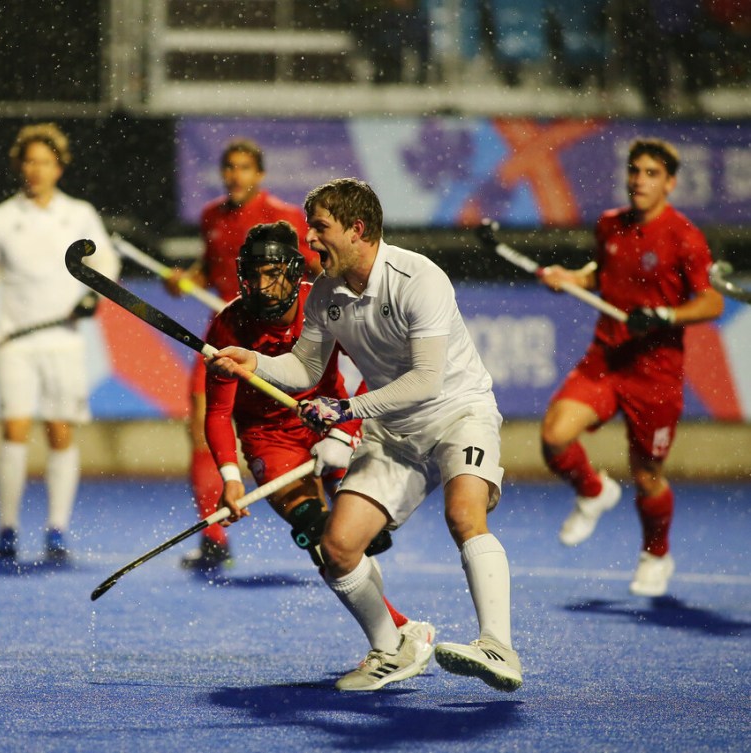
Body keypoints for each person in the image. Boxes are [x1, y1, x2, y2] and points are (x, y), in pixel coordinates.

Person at [211, 178, 522, 692]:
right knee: (336, 548)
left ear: (358, 230)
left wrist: (345, 410)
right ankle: (392, 647)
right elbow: (303, 369)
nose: (309, 239)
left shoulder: (418, 278)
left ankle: (498, 645)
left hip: (458, 413)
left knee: (464, 513)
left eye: (320, 227)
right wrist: (256, 364)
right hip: (395, 433)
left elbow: (425, 379)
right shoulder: (327, 295)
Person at [206, 220, 434, 689]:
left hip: (328, 419)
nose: (262, 286)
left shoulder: (328, 300)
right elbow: (218, 413)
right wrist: (230, 477)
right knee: (319, 536)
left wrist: (347, 430)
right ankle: (400, 633)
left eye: (273, 273)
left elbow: (384, 371)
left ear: (294, 272)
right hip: (271, 441)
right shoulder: (228, 324)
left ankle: (397, 635)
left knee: (362, 539)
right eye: (253, 274)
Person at [538, 138, 723, 598]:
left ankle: (656, 555)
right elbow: (599, 272)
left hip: (655, 374)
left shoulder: (685, 237)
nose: (640, 180)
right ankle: (593, 491)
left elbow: (712, 301)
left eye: (652, 173)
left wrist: (665, 316)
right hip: (606, 359)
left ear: (671, 182)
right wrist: (570, 278)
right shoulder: (609, 225)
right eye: (635, 171)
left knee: (646, 476)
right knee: (555, 436)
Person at [165, 137, 319, 570]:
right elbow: (211, 269)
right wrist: (185, 279)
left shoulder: (286, 219)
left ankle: (334, 527)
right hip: (225, 335)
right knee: (200, 427)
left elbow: (315, 271)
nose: (235, 175)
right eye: (229, 167)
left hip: (281, 340)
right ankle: (214, 537)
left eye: (244, 168)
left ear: (260, 174)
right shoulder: (211, 216)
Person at [0, 123, 119, 564]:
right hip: (15, 343)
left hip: (65, 342)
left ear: (59, 167)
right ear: (20, 165)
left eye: (45, 162)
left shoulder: (80, 214)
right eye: (29, 161)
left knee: (60, 432)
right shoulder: (0, 217)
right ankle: (7, 529)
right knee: (14, 432)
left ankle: (56, 529)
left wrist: (91, 297)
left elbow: (106, 263)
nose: (36, 170)